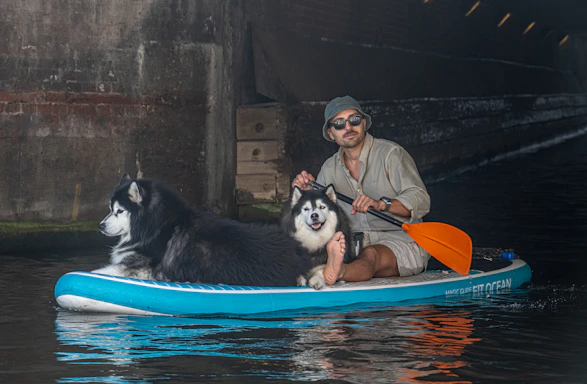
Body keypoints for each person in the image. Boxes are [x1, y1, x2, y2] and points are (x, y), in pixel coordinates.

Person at [292, 95, 431, 286]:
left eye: (354, 120)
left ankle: (336, 271)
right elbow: (321, 215)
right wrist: (308, 192)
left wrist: (381, 204)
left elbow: (421, 200)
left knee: (371, 254)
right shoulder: (329, 168)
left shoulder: (391, 154)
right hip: (351, 248)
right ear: (331, 133)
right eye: (339, 124)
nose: (348, 127)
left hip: (400, 243)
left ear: (364, 123)